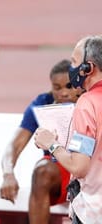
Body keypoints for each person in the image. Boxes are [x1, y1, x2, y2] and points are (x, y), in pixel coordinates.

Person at [0, 59, 83, 224]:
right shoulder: (42, 103)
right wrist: (8, 174)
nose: (63, 93)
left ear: (78, 85)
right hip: (59, 169)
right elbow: (14, 145)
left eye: (69, 86)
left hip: (86, 166)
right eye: (57, 88)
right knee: (42, 171)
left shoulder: (89, 102)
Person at [34, 35, 102, 224]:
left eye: (74, 61)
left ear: (88, 67)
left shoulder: (87, 103)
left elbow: (79, 167)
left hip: (94, 211)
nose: (71, 68)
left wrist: (52, 144)